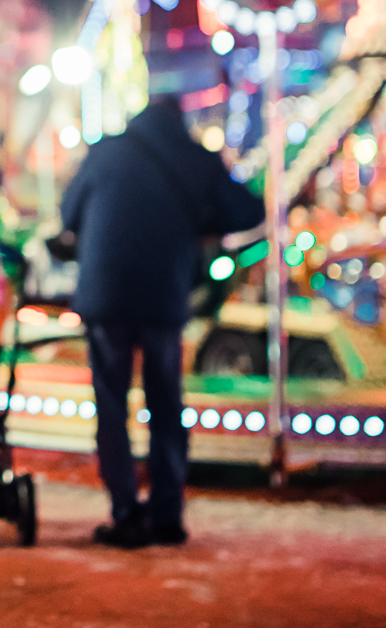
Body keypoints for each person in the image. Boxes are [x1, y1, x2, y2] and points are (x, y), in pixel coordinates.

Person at [61, 96, 264, 548]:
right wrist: (204, 220)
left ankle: (125, 512)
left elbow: (67, 214)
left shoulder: (105, 150)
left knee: (111, 406)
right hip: (163, 296)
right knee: (166, 404)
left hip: (106, 294)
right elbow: (250, 212)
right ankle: (167, 514)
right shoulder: (196, 157)